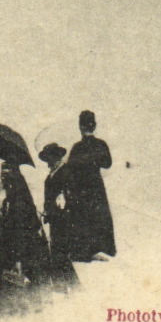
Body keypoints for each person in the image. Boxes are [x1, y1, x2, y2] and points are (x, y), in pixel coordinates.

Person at [0, 160, 50, 305]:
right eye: (2, 173)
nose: (3, 177)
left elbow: (19, 229)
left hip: (21, 247)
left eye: (6, 174)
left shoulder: (18, 201)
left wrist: (17, 257)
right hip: (14, 244)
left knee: (22, 279)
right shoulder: (11, 197)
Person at [67, 110, 116, 260]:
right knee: (99, 216)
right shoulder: (101, 144)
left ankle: (86, 251)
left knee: (83, 217)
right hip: (96, 185)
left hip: (81, 187)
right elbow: (107, 163)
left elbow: (70, 169)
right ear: (94, 126)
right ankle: (103, 248)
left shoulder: (77, 147)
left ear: (80, 127)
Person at [36, 144, 80, 291]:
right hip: (55, 219)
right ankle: (65, 286)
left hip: (64, 219)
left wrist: (64, 199)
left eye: (49, 158)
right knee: (57, 250)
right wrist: (46, 211)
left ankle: (70, 286)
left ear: (56, 157)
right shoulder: (51, 176)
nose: (47, 162)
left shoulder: (66, 172)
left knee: (61, 252)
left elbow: (73, 195)